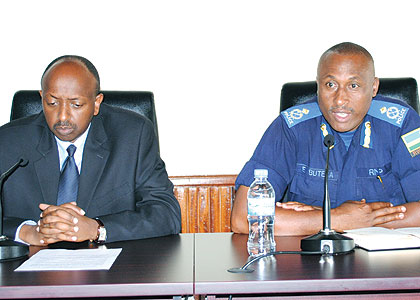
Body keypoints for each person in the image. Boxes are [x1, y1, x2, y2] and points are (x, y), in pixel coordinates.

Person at [232, 42, 420, 236]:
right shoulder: (291, 127)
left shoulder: (403, 123)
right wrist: (336, 218)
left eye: (353, 86)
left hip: (386, 260)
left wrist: (359, 223)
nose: (339, 100)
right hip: (310, 259)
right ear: (318, 86)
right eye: (330, 85)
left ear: (373, 87)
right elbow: (242, 217)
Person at [0, 55, 181, 245]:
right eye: (52, 103)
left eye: (76, 104)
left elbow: (166, 213)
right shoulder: (9, 141)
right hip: (27, 270)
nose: (62, 116)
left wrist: (97, 228)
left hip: (114, 270)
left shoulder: (133, 136)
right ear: (41, 98)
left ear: (96, 103)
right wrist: (28, 231)